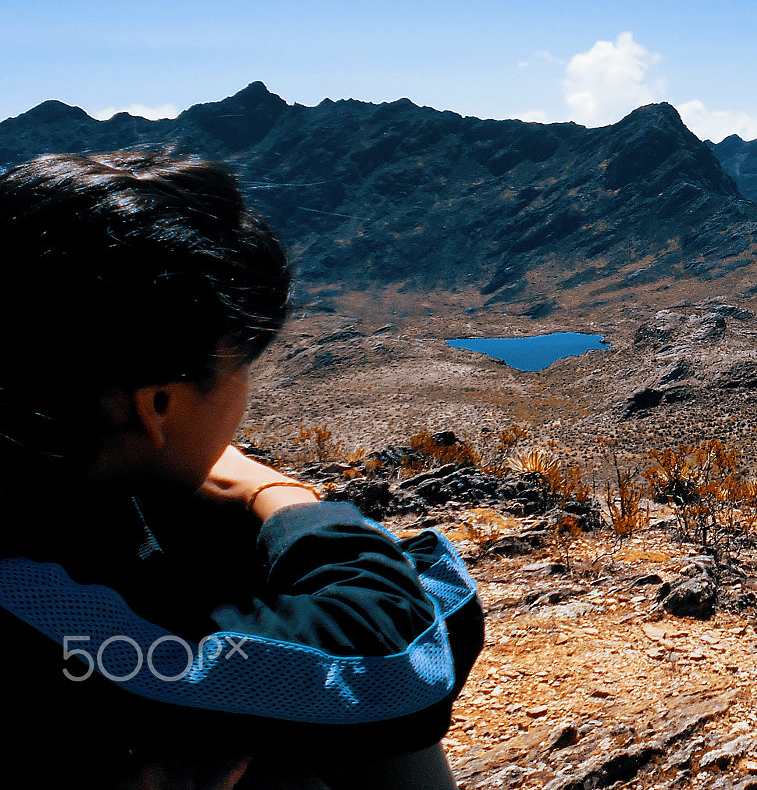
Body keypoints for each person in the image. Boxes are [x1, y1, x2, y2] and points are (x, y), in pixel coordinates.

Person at [0, 150, 482, 789]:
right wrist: (271, 492)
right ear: (158, 404)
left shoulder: (56, 490)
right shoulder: (31, 599)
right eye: (241, 366)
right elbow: (396, 657)